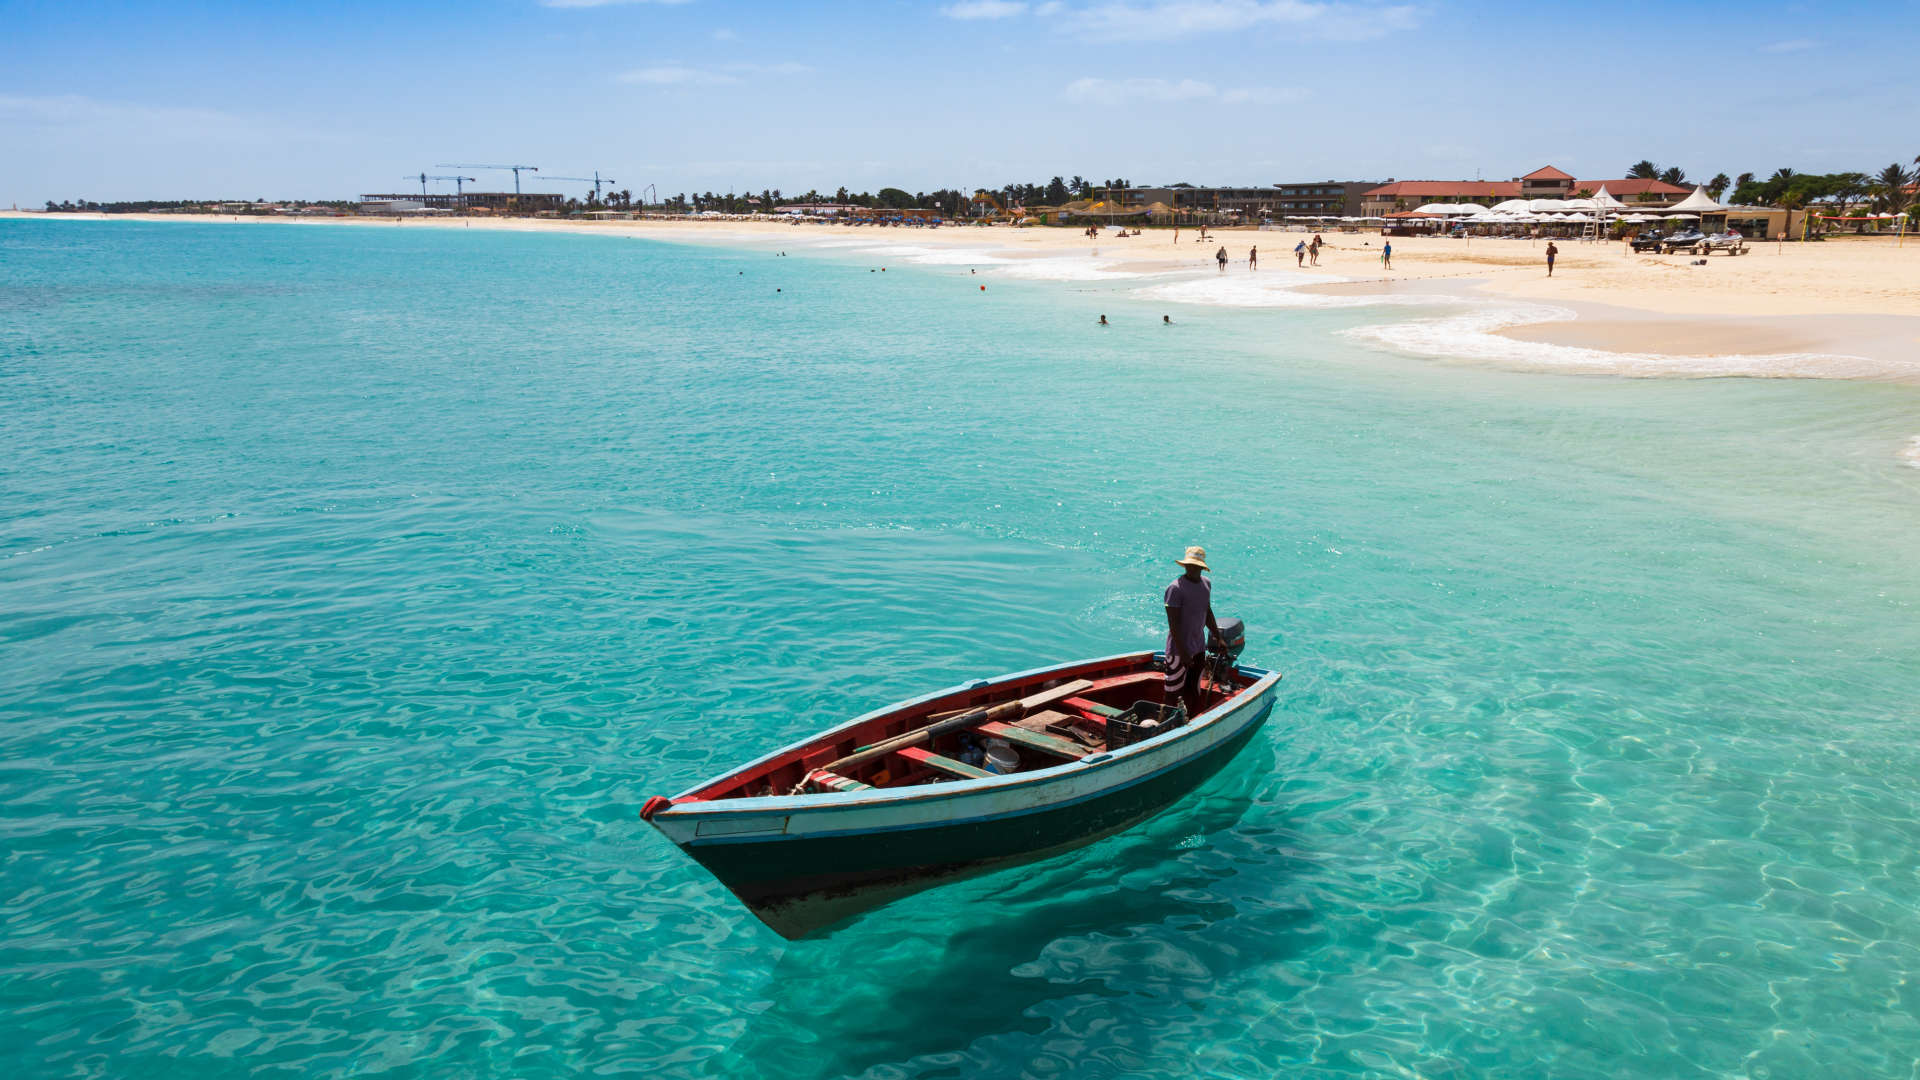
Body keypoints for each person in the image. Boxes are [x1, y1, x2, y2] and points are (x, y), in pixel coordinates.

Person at [1163, 546, 1221, 720]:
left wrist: (1218, 637)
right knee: (1172, 693)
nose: (1192, 569)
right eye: (1190, 565)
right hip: (1178, 651)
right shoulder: (1175, 588)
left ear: (1202, 568)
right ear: (1185, 566)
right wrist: (1183, 652)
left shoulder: (1206, 584)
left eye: (1196, 566)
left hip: (1198, 648)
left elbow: (1207, 611)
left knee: (1193, 689)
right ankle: (1165, 725)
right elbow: (1173, 625)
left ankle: (1190, 721)